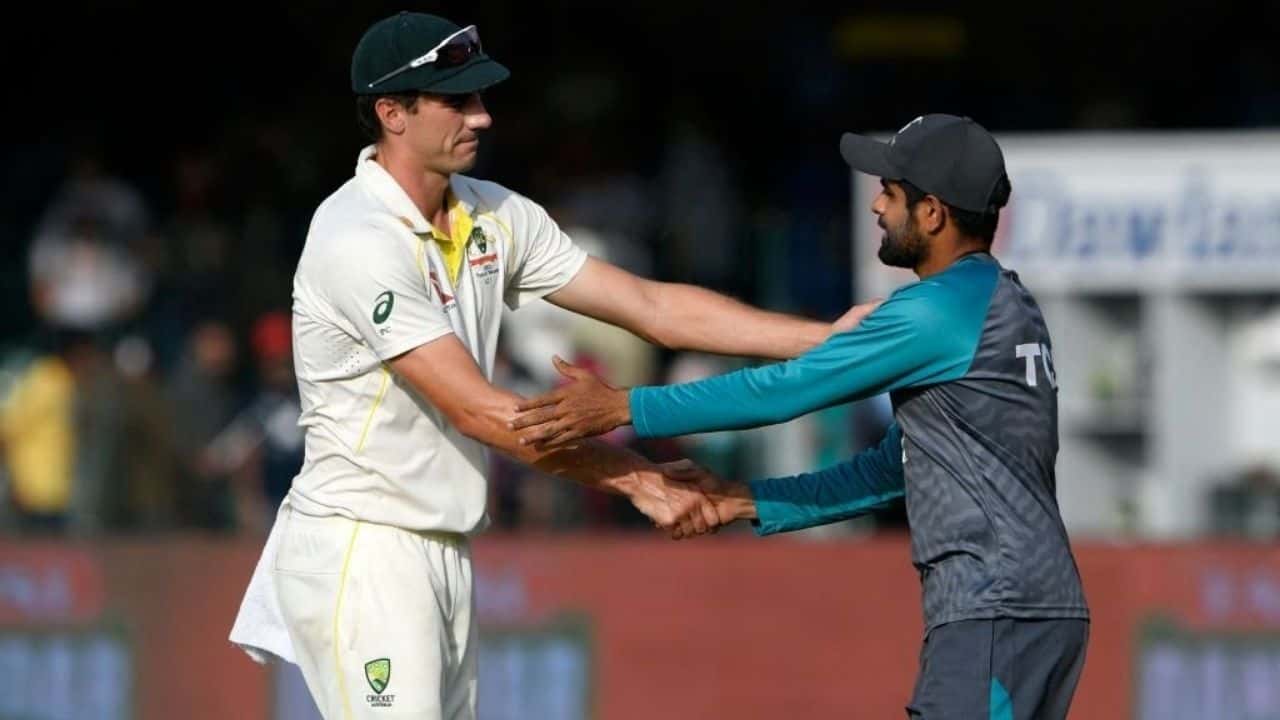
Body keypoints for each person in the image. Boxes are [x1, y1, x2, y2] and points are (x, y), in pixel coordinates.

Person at [229, 12, 875, 720]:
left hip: (440, 545)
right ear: (392, 112)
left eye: (480, 98)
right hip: (364, 546)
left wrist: (822, 340)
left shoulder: (490, 211)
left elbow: (649, 304)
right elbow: (479, 411)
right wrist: (637, 478)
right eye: (459, 101)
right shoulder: (356, 238)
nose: (483, 117)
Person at [512, 114, 1091, 720]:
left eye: (890, 193)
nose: (875, 206)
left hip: (995, 608)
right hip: (1026, 610)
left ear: (933, 214)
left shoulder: (936, 311)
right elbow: (890, 471)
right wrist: (746, 501)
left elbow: (785, 390)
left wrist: (625, 406)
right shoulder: (1004, 301)